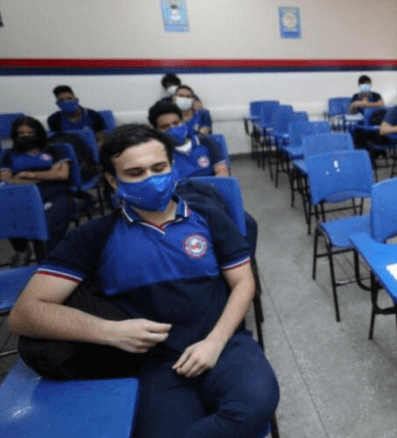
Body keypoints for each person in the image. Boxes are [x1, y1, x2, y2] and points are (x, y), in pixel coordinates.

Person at [9, 124, 279, 438]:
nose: (151, 179)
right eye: (135, 173)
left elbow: (244, 283)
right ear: (112, 180)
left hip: (223, 344)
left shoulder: (209, 217)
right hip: (155, 364)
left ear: (172, 167)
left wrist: (214, 342)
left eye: (159, 168)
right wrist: (108, 331)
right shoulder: (92, 236)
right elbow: (25, 314)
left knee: (256, 403)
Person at [149, 101, 258, 258]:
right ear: (157, 131)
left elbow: (222, 175)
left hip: (211, 196)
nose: (173, 128)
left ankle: (244, 263)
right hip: (179, 203)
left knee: (248, 224)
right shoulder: (158, 153)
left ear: (183, 121)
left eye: (176, 123)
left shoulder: (207, 142)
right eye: (165, 127)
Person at [0, 116, 76, 265]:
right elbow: (6, 179)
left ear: (39, 133)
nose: (25, 136)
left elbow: (62, 175)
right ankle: (22, 250)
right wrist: (46, 175)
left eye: (30, 132)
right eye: (21, 133)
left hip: (55, 194)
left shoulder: (55, 150)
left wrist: (28, 175)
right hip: (21, 196)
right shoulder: (9, 155)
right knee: (6, 213)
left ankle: (47, 261)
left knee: (45, 224)